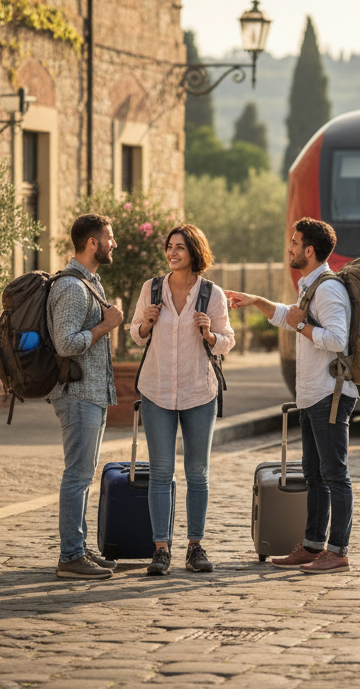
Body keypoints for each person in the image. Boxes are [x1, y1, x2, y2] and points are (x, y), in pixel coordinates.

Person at [228, 217, 357, 574]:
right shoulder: (310, 285)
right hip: (313, 395)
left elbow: (336, 339)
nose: (290, 247)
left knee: (335, 475)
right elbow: (289, 316)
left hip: (330, 396)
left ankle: (338, 551)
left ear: (310, 250)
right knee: (315, 475)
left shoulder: (329, 290)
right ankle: (314, 545)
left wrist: (301, 323)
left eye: (295, 242)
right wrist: (256, 301)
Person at [130, 224, 235, 576]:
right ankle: (161, 549)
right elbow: (135, 334)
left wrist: (210, 334)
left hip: (198, 391)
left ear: (195, 252)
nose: (173, 253)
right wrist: (145, 324)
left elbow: (227, 340)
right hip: (156, 390)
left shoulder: (211, 293)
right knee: (160, 472)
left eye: (180, 247)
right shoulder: (151, 288)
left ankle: (195, 546)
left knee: (197, 472)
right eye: (169, 247)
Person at [50, 213, 127, 579]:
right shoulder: (71, 288)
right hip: (77, 394)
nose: (114, 244)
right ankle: (70, 556)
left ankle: (78, 548)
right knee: (77, 476)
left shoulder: (89, 283)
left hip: (92, 393)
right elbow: (65, 344)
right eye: (109, 238)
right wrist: (105, 326)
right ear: (93, 242)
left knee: (83, 475)